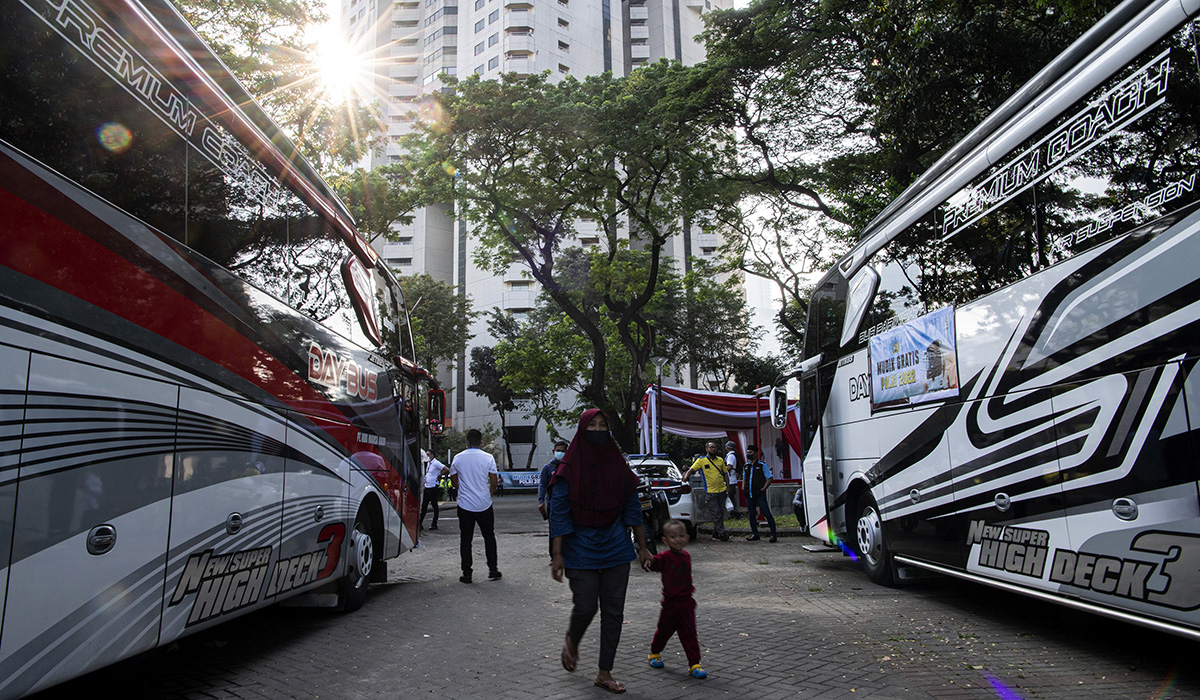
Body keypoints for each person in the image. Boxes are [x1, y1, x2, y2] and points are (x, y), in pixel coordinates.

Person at [550, 408, 653, 694]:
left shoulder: (619, 467)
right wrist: (557, 554)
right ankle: (573, 638)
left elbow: (633, 509)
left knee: (613, 611)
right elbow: (559, 514)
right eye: (591, 425)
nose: (597, 430)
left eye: (602, 425)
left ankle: (604, 671)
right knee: (585, 605)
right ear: (582, 430)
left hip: (616, 545)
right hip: (579, 545)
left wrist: (643, 549)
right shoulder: (568, 468)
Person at [645, 519, 706, 679]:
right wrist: (647, 558)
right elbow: (654, 564)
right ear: (665, 540)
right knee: (664, 631)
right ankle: (654, 652)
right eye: (673, 537)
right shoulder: (665, 557)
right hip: (670, 604)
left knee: (690, 634)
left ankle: (694, 663)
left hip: (686, 603)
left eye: (681, 536)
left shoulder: (686, 556)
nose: (677, 539)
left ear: (686, 538)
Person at [449, 429, 501, 583]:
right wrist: (487, 494)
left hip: (465, 505)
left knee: (466, 539)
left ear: (467, 442)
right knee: (489, 536)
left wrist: (463, 492)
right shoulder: (488, 458)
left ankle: (467, 573)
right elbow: (494, 482)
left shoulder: (458, 458)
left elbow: (454, 481)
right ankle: (493, 569)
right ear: (481, 442)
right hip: (484, 504)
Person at [682, 442, 729, 541]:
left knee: (720, 512)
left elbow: (725, 474)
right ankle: (721, 533)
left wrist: (727, 488)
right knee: (716, 513)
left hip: (721, 490)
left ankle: (716, 533)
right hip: (711, 491)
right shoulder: (701, 461)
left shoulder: (720, 460)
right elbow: (691, 470)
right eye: (711, 447)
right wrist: (685, 477)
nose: (713, 449)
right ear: (707, 449)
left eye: (715, 447)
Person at [742, 444, 777, 542]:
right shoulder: (746, 466)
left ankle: (773, 534)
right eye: (747, 453)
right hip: (749, 493)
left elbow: (769, 478)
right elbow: (744, 477)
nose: (749, 455)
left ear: (756, 453)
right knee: (751, 514)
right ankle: (755, 534)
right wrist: (743, 487)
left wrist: (764, 488)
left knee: (766, 513)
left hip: (759, 493)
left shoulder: (762, 465)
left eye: (751, 453)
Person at [538, 440, 570, 521]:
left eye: (562, 451)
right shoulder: (548, 468)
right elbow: (542, 485)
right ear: (553, 451)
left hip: (567, 504)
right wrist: (541, 501)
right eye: (558, 451)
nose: (560, 453)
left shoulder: (569, 467)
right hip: (552, 504)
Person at [420, 449, 449, 530]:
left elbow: (446, 469)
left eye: (428, 454)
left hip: (433, 486)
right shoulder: (429, 463)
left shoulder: (436, 463)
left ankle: (434, 523)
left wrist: (440, 475)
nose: (427, 456)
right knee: (424, 505)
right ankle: (420, 523)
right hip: (427, 486)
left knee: (434, 505)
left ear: (432, 455)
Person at [723, 440, 743, 520]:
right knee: (731, 497)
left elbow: (729, 466)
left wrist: (722, 471)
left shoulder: (730, 456)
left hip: (730, 480)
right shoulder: (732, 455)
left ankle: (735, 513)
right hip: (732, 479)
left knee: (728, 497)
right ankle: (734, 513)